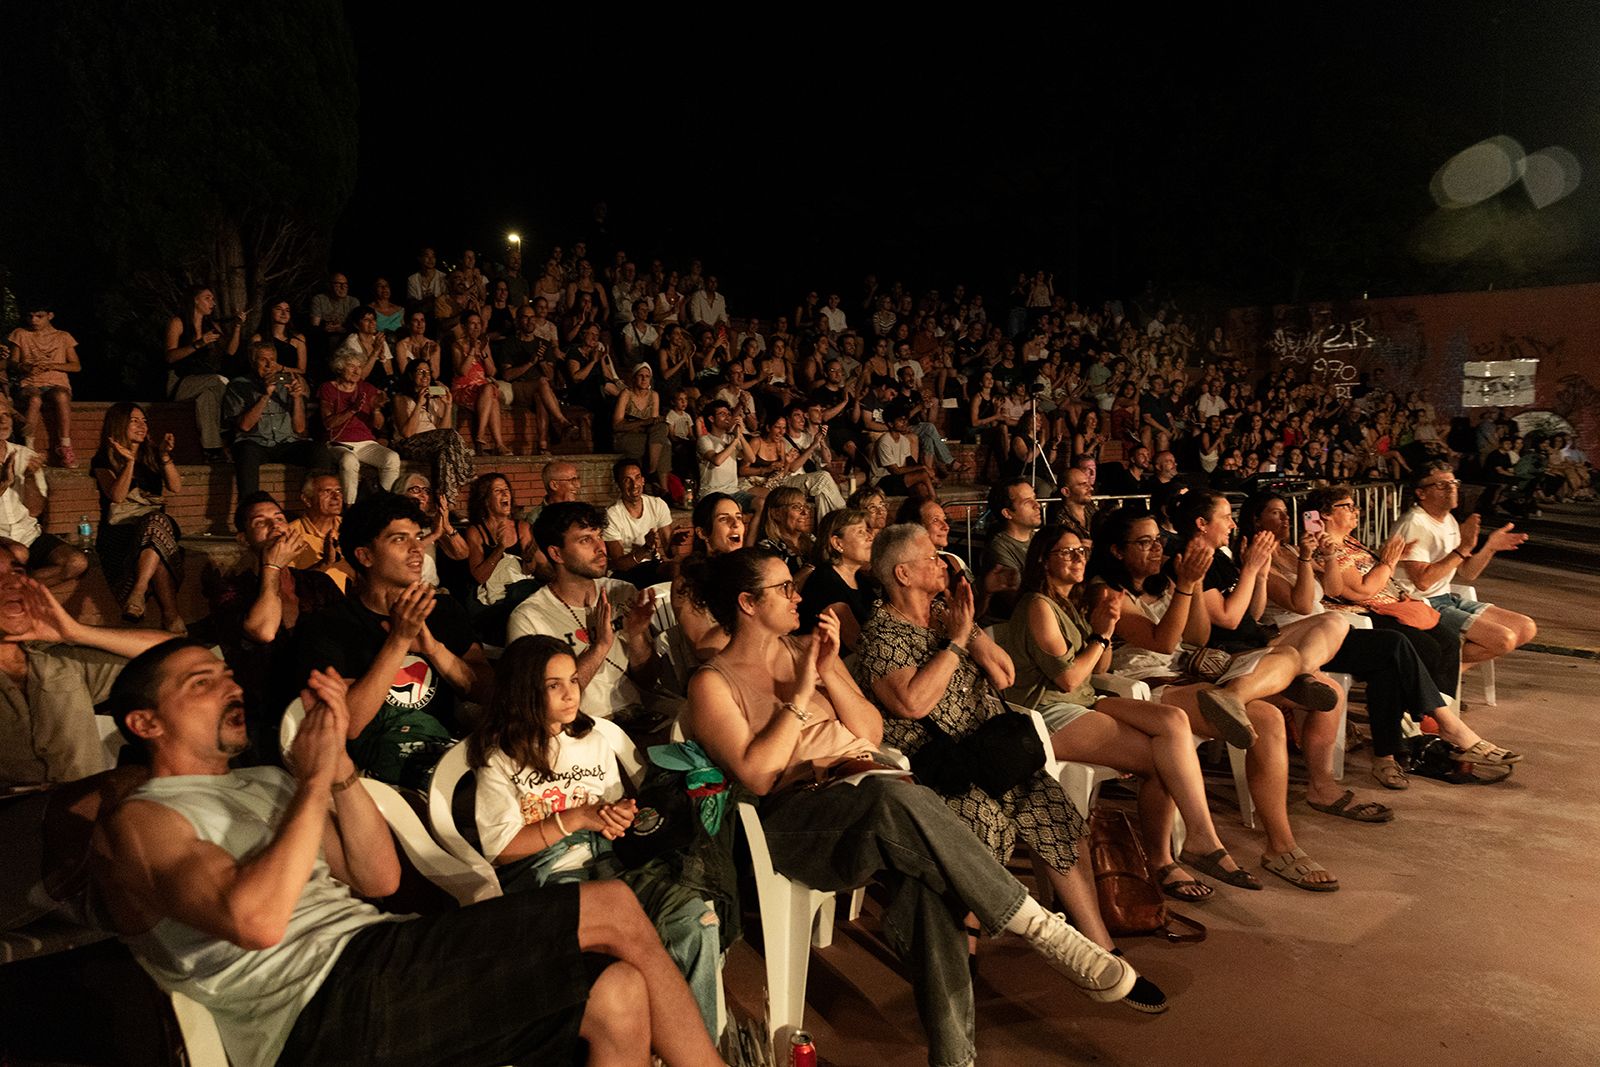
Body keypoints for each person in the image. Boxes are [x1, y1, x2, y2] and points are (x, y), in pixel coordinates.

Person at [93, 640, 723, 1067]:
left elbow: (378, 876)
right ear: (145, 724)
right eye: (202, 684)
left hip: (377, 960)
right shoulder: (141, 819)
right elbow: (256, 922)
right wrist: (312, 784)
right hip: (316, 1010)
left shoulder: (266, 783)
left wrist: (339, 769)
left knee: (616, 993)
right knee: (611, 906)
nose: (230, 689)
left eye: (227, 676)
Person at [683, 549, 1139, 1067]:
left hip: (868, 787)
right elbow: (758, 775)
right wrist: (801, 695)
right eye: (784, 588)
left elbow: (870, 731)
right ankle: (1038, 926)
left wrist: (828, 671)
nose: (797, 596)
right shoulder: (712, 682)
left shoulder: (807, 650)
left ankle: (956, 1058)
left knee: (931, 889)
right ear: (747, 603)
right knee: (893, 796)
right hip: (795, 818)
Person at [856, 525, 1168, 1010]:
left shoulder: (945, 615)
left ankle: (1100, 948)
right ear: (903, 574)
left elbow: (1003, 675)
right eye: (931, 557)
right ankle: (961, 957)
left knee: (1059, 817)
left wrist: (968, 631)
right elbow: (913, 703)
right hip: (939, 766)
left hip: (991, 751)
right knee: (985, 824)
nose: (943, 562)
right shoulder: (882, 635)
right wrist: (955, 644)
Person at [469, 635, 722, 1035]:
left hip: (611, 862)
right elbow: (501, 849)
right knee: (624, 954)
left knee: (696, 922)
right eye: (554, 685)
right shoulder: (501, 757)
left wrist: (620, 815)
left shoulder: (590, 740)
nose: (571, 693)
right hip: (548, 875)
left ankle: (696, 1048)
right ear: (522, 691)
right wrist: (574, 818)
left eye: (573, 680)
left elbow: (611, 809)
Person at [1088, 507, 1343, 892]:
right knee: (1271, 700)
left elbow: (1196, 637)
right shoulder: (1105, 591)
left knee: (1275, 700)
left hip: (1190, 675)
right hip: (1144, 685)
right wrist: (1187, 585)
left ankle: (1281, 845)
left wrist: (1190, 585)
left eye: (1158, 540)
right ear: (1116, 550)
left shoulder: (1163, 582)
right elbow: (1163, 642)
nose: (1157, 548)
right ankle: (1253, 691)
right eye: (1144, 542)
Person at [1001, 525, 1258, 898]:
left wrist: (1106, 628)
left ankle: (1200, 837)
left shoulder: (1067, 602)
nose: (1078, 558)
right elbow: (1068, 679)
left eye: (1081, 552)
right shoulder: (1038, 606)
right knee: (1162, 761)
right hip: (1048, 713)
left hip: (1083, 700)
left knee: (1173, 721)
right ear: (1043, 559)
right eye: (1067, 552)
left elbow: (1100, 668)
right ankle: (1166, 859)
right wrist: (1101, 635)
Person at [1245, 493, 1521, 790]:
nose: (1286, 518)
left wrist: (1324, 555)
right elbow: (1302, 604)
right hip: (1300, 639)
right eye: (1275, 513)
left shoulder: (1293, 548)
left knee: (1392, 658)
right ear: (1256, 520)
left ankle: (1388, 756)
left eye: (1286, 512)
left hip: (1328, 630)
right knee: (1397, 644)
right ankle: (1444, 728)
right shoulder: (1259, 558)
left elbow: (1331, 589)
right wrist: (1307, 560)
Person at [294, 492, 492, 786]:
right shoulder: (329, 625)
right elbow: (349, 724)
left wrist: (435, 650)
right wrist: (398, 641)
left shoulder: (443, 610)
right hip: (374, 778)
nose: (417, 549)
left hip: (449, 759)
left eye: (418, 537)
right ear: (365, 556)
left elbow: (487, 692)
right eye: (399, 539)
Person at [0, 557, 171, 787]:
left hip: (88, 804)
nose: (12, 582)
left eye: (17, 572)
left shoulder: (61, 662)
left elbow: (177, 655)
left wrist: (78, 633)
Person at [200, 492, 344, 745]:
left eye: (279, 518)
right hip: (265, 717)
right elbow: (263, 631)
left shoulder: (317, 583)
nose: (274, 525)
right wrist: (272, 568)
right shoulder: (229, 590)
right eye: (260, 522)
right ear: (244, 539)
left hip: (324, 706)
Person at [507, 502, 660, 729]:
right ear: (556, 553)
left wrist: (637, 636)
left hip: (641, 717)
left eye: (600, 536)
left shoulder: (622, 592)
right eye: (585, 540)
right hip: (580, 728)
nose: (601, 547)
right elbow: (539, 705)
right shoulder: (529, 618)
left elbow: (649, 680)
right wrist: (600, 647)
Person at [1390, 462, 1536, 667]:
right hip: (1419, 603)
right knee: (1503, 640)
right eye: (1441, 485)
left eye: (1454, 483)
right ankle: (1439, 674)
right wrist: (1463, 548)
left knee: (1525, 627)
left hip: (1445, 598)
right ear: (1421, 493)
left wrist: (1489, 548)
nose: (1451, 489)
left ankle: (1449, 675)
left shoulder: (1448, 519)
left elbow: (1468, 572)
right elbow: (1423, 581)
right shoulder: (1415, 523)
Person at [91, 403, 185, 631]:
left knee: (155, 522)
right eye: (134, 421)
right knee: (158, 553)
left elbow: (175, 487)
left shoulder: (152, 453)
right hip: (121, 529)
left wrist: (164, 456)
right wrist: (129, 462)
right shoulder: (103, 458)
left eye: (144, 421)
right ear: (119, 424)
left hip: (155, 524)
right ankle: (172, 618)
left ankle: (138, 591)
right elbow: (117, 496)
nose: (142, 426)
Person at [223, 341, 331, 499]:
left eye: (272, 360)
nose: (269, 365)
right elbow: (245, 426)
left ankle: (319, 500)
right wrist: (265, 395)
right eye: (263, 360)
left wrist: (297, 398)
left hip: (285, 443)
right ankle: (250, 505)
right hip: (255, 443)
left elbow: (299, 428)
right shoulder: (239, 385)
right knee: (245, 452)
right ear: (253, 362)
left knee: (319, 450)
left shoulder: (286, 384)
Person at [0, 404, 88, 587]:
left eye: (6, 415)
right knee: (18, 552)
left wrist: (29, 478)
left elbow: (35, 510)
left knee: (76, 562)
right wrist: (3, 485)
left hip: (28, 534)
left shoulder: (25, 455)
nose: (2, 421)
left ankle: (15, 587)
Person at [163, 285, 242, 461]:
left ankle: (212, 450)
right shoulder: (178, 322)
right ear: (195, 300)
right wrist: (198, 344)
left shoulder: (210, 325)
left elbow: (230, 351)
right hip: (180, 382)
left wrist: (237, 327)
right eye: (207, 298)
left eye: (212, 299)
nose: (212, 302)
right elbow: (170, 357)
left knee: (207, 398)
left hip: (204, 382)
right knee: (220, 380)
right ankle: (232, 424)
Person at [319, 347, 401, 505]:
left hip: (366, 443)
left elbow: (378, 426)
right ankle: (349, 507)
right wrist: (352, 410)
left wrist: (376, 410)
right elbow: (328, 424)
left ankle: (384, 505)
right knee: (349, 460)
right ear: (340, 367)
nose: (357, 371)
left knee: (392, 458)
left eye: (359, 367)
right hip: (338, 443)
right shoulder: (328, 388)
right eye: (351, 366)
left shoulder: (367, 388)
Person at [390, 357, 473, 509]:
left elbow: (444, 430)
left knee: (444, 455)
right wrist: (419, 404)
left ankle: (445, 506)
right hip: (408, 444)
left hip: (433, 444)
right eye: (420, 372)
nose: (425, 376)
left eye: (428, 372)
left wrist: (448, 406)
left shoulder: (435, 400)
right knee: (449, 437)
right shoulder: (401, 398)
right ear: (411, 375)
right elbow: (407, 433)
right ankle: (466, 471)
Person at [7, 301, 81, 466]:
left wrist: (51, 365)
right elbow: (12, 362)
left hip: (56, 383)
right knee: (34, 399)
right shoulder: (21, 333)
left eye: (39, 316)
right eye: (30, 316)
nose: (34, 320)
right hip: (30, 383)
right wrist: (23, 366)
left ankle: (65, 445)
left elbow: (76, 366)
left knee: (61, 396)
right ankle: (28, 447)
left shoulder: (63, 336)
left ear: (50, 315)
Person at [797, 507, 875, 650]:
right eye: (860, 532)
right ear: (838, 543)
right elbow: (857, 644)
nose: (870, 537)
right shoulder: (824, 582)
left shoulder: (861, 580)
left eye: (867, 531)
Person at [462, 472, 538, 610]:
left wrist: (529, 558)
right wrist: (501, 547)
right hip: (493, 599)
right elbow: (480, 577)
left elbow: (528, 571)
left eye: (506, 489)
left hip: (520, 592)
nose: (505, 493)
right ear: (486, 500)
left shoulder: (522, 527)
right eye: (498, 490)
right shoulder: (475, 531)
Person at [603, 458, 675, 589]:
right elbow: (620, 564)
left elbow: (670, 553)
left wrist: (676, 542)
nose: (634, 484)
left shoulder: (657, 504)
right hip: (625, 571)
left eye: (637, 477)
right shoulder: (612, 514)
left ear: (643, 480)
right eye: (627, 480)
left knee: (677, 570)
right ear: (618, 484)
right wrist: (646, 548)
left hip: (652, 565)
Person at [451, 312, 511, 455]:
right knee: (490, 392)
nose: (476, 327)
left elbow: (492, 371)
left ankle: (490, 441)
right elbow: (462, 371)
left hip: (482, 390)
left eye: (478, 323)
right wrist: (472, 350)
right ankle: (491, 440)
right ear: (464, 326)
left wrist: (483, 353)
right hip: (463, 389)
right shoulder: (457, 345)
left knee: (491, 394)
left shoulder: (484, 344)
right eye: (472, 323)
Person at [613, 362, 671, 493]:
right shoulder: (626, 394)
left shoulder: (654, 395)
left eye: (647, 376)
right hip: (625, 436)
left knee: (662, 429)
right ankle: (654, 478)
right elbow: (617, 425)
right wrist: (642, 422)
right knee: (665, 445)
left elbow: (654, 425)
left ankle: (659, 483)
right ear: (634, 378)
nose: (644, 379)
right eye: (641, 376)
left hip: (645, 435)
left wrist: (651, 423)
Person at [250, 298, 309, 377]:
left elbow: (302, 370)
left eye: (287, 310)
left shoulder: (298, 339)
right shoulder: (258, 338)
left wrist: (281, 368)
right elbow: (253, 365)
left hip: (291, 379)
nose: (284, 313)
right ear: (270, 311)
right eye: (279, 309)